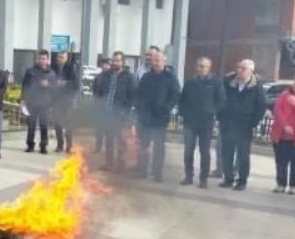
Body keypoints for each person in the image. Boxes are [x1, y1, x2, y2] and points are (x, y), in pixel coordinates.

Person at [217, 59, 267, 191]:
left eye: (243, 68)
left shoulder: (256, 86)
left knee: (243, 155)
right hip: (228, 124)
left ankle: (242, 181)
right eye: (238, 67)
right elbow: (220, 99)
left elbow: (261, 106)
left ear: (251, 71)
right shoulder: (228, 82)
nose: (239, 70)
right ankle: (228, 178)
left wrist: (253, 122)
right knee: (226, 153)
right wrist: (221, 116)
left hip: (244, 126)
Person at [178, 57, 226, 188]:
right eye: (198, 66)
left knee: (204, 152)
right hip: (190, 122)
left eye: (202, 66)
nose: (199, 68)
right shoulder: (190, 82)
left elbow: (222, 101)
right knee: (188, 150)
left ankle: (203, 178)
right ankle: (188, 176)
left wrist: (212, 111)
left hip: (206, 123)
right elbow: (182, 100)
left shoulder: (216, 83)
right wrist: (183, 113)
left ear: (209, 68)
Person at [134, 52, 180, 182]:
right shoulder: (146, 77)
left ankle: (157, 172)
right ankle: (142, 170)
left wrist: (166, 107)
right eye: (154, 60)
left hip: (160, 118)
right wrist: (139, 106)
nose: (155, 63)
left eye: (158, 60)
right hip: (146, 117)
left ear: (164, 62)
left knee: (159, 147)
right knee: (144, 145)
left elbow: (175, 95)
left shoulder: (170, 77)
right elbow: (139, 93)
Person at [92, 51, 137, 171]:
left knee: (120, 140)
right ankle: (109, 163)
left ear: (122, 62)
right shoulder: (106, 75)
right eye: (113, 60)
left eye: (117, 60)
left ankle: (120, 164)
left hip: (120, 115)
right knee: (109, 140)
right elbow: (98, 90)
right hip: (107, 113)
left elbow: (132, 97)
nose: (114, 63)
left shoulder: (129, 77)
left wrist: (126, 112)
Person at [21, 50, 57, 154]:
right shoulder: (31, 71)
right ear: (37, 59)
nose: (42, 60)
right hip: (32, 102)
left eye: (44, 58)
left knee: (44, 125)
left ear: (47, 59)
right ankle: (30, 145)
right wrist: (23, 99)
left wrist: (48, 85)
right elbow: (25, 85)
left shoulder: (52, 73)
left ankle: (43, 146)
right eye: (40, 58)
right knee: (31, 124)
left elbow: (55, 89)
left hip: (45, 103)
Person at [52, 51, 81, 153]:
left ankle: (69, 146)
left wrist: (65, 83)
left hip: (67, 101)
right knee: (58, 124)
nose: (60, 59)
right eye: (59, 57)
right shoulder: (53, 68)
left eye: (62, 57)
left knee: (68, 125)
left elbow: (76, 84)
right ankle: (60, 145)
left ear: (66, 58)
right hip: (56, 101)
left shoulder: (71, 68)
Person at [92, 58, 111, 153]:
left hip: (109, 108)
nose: (106, 66)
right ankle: (98, 147)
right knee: (98, 130)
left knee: (108, 131)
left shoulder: (113, 77)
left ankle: (108, 148)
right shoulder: (98, 77)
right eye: (104, 64)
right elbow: (94, 90)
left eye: (108, 64)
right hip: (99, 107)